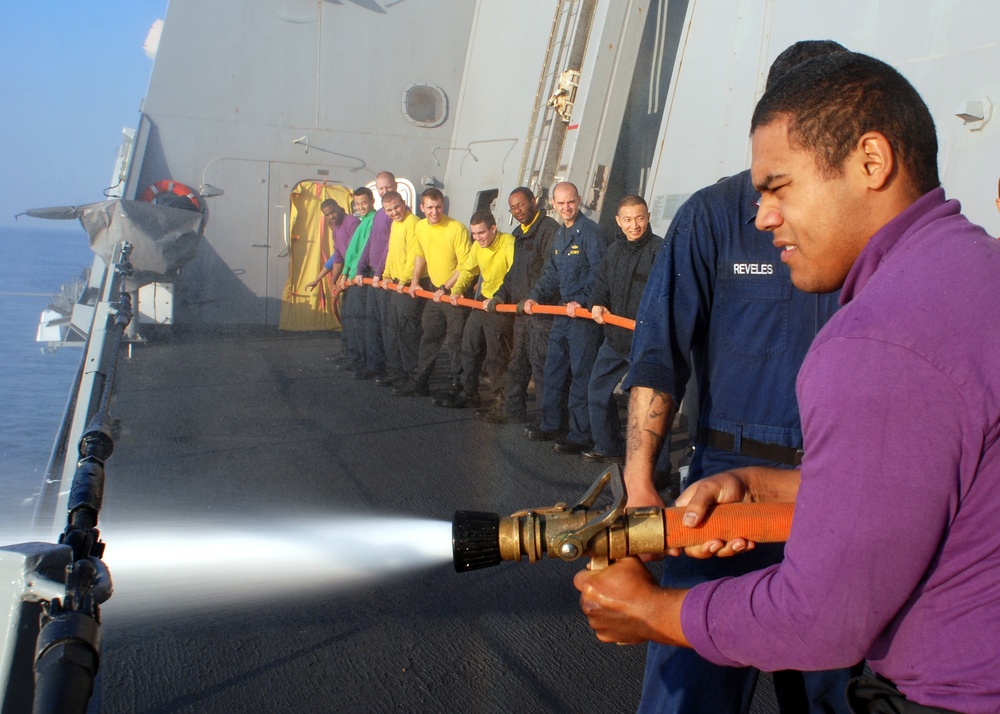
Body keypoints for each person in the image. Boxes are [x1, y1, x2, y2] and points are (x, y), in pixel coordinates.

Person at [575, 50, 1000, 714]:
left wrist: (653, 612)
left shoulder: (880, 337)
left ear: (870, 162)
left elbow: (824, 617)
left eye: (779, 186)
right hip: (761, 477)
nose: (763, 215)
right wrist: (684, 484)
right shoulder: (972, 272)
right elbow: (931, 478)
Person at [579, 41, 856, 714]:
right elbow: (658, 356)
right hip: (721, 492)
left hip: (834, 493)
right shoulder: (713, 217)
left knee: (835, 696)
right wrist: (642, 482)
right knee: (688, 694)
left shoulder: (863, 225)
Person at [523, 181, 608, 454]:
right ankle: (551, 424)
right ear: (554, 205)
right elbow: (551, 273)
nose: (566, 208)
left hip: (582, 316)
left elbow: (599, 274)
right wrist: (534, 296)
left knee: (581, 375)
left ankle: (581, 434)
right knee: (553, 370)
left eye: (570, 202)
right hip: (562, 313)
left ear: (579, 200)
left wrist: (582, 301)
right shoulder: (560, 236)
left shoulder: (591, 233)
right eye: (560, 204)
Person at [582, 195, 661, 464]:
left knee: (650, 404)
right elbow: (600, 285)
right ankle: (608, 446)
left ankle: (656, 464)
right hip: (615, 340)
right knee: (597, 391)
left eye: (639, 218)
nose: (634, 225)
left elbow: (667, 295)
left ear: (648, 217)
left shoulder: (659, 251)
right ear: (618, 221)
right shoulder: (613, 252)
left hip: (646, 342)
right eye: (627, 219)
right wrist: (596, 304)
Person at [478, 187, 559, 424]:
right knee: (518, 362)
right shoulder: (519, 233)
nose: (517, 210)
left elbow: (550, 271)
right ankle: (512, 409)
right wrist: (500, 296)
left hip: (541, 311)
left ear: (534, 202)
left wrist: (534, 297)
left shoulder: (549, 230)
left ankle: (548, 422)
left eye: (521, 205)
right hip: (522, 312)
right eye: (513, 207)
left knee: (541, 367)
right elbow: (514, 273)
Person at [393, 188, 472, 397]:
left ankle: (458, 386)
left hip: (456, 295)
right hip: (436, 293)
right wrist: (415, 282)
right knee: (429, 336)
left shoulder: (457, 228)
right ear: (422, 208)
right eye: (429, 208)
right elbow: (420, 255)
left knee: (456, 341)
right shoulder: (420, 227)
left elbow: (465, 266)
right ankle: (421, 381)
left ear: (443, 207)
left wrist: (446, 288)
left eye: (438, 207)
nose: (434, 212)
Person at [434, 210, 515, 409]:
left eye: (482, 233)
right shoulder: (478, 247)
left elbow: (514, 276)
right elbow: (468, 270)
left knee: (496, 355)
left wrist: (499, 298)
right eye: (475, 234)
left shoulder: (508, 244)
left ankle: (500, 402)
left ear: (493, 229)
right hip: (481, 302)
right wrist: (457, 290)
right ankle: (468, 392)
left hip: (501, 305)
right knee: (469, 346)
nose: (478, 238)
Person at [374, 190, 422, 387]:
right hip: (395, 284)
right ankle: (396, 371)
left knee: (407, 331)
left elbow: (414, 254)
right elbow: (392, 253)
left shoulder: (414, 223)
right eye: (389, 210)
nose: (394, 212)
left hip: (406, 285)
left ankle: (412, 376)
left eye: (396, 207)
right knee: (393, 330)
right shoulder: (395, 224)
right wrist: (386, 274)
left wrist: (404, 280)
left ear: (404, 203)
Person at [353, 171, 398, 381]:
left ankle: (391, 370)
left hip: (386, 277)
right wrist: (360, 269)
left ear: (395, 185)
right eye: (381, 188)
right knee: (372, 324)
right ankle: (374, 366)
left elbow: (390, 248)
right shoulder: (380, 214)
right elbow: (370, 243)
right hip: (373, 276)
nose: (384, 191)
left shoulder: (395, 214)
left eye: (388, 187)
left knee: (387, 327)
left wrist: (379, 273)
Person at [306, 198, 360, 369]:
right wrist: (331, 281)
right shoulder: (335, 228)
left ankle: (356, 358)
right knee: (346, 316)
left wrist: (344, 276)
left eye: (332, 212)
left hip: (356, 276)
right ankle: (347, 352)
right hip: (346, 277)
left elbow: (354, 253)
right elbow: (337, 256)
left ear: (339, 207)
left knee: (355, 319)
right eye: (327, 215)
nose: (331, 216)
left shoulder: (352, 223)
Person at [340, 187, 378, 377]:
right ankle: (355, 361)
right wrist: (345, 273)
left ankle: (363, 365)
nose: (361, 207)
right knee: (353, 322)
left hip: (360, 278)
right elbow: (351, 253)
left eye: (364, 202)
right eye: (357, 204)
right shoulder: (362, 222)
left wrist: (354, 273)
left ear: (372, 201)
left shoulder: (373, 221)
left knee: (361, 323)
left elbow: (364, 250)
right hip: (352, 277)